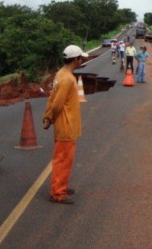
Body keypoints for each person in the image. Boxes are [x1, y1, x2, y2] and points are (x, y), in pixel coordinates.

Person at [42, 45, 88, 204]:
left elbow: (52, 97)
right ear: (75, 60)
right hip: (66, 125)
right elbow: (57, 104)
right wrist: (50, 117)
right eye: (81, 58)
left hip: (65, 125)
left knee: (65, 159)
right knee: (62, 159)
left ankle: (61, 186)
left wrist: (47, 117)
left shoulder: (61, 74)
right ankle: (58, 193)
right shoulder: (67, 79)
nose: (82, 61)